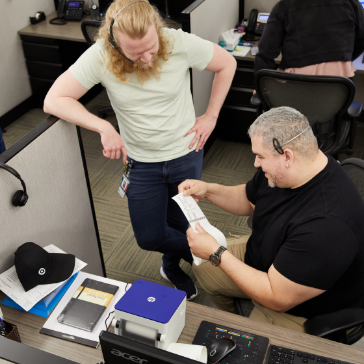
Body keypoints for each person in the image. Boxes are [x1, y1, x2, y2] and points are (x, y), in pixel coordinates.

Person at [43, 0, 237, 300]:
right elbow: (54, 99)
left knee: (179, 222)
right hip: (141, 163)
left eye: (151, 47)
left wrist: (211, 115)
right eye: (135, 54)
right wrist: (104, 127)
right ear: (115, 44)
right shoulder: (101, 56)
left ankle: (171, 267)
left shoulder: (176, 42)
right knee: (150, 236)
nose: (147, 58)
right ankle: (210, 256)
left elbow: (228, 63)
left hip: (186, 153)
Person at [178, 106, 364, 332]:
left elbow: (277, 296)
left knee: (248, 346)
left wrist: (216, 253)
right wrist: (208, 190)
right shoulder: (283, 172)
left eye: (259, 156)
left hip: (301, 307)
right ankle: (233, 321)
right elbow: (249, 199)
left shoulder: (327, 225)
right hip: (270, 257)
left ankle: (241, 330)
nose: (256, 163)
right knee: (203, 269)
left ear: (287, 155)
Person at [255, 0, 364, 79]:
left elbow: (266, 51)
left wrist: (261, 87)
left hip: (294, 89)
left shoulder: (284, 6)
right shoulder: (351, 3)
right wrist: (343, 59)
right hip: (338, 89)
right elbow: (361, 41)